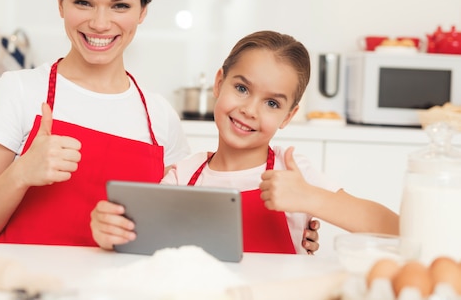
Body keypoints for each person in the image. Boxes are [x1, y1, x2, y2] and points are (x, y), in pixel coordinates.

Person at [0, 0, 321, 251]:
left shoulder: (159, 117)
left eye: (120, 6)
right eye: (83, 2)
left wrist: (293, 226)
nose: (100, 23)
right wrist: (20, 175)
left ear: (143, 10)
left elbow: (181, 233)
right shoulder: (18, 92)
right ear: (60, 1)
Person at [91, 30, 399, 254]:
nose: (249, 110)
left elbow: (394, 229)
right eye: (241, 88)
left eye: (272, 104)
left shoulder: (294, 173)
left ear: (289, 117)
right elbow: (145, 248)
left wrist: (311, 198)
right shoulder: (183, 176)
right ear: (219, 83)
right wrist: (110, 235)